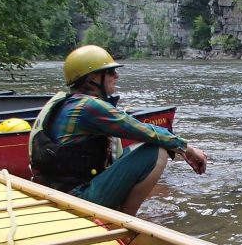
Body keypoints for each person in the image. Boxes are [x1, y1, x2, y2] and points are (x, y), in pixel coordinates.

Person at [30, 44, 207, 215]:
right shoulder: (89, 107)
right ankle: (126, 221)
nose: (117, 76)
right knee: (157, 151)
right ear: (93, 78)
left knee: (139, 148)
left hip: (60, 192)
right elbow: (143, 131)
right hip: (77, 198)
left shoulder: (67, 103)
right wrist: (186, 148)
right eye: (110, 72)